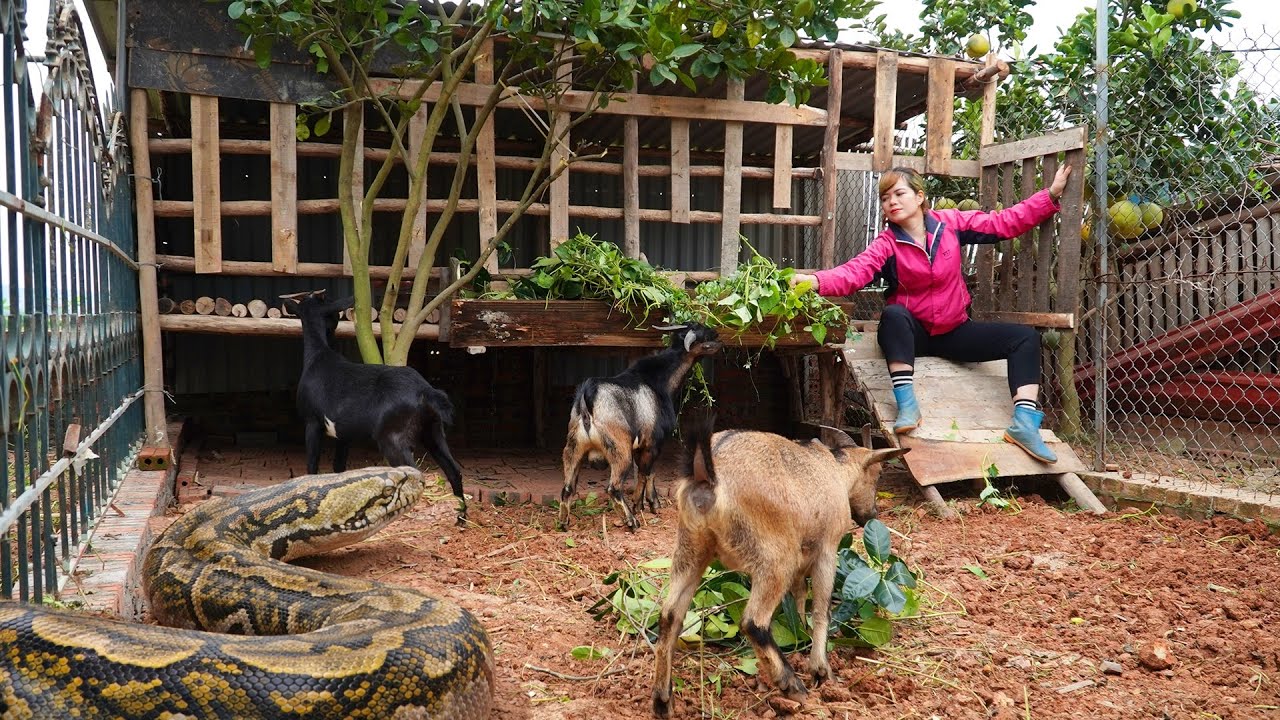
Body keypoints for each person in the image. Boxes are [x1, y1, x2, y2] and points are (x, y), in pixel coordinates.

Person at [790, 164, 1072, 463]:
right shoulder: (886, 244)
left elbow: (1002, 223)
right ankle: (907, 405)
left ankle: (1025, 424)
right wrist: (816, 281)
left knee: (1025, 338)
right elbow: (854, 273)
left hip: (955, 332)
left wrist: (1050, 195)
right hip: (914, 337)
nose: (892, 202)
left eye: (899, 193)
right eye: (886, 198)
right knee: (894, 314)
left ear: (920, 196)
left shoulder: (949, 224)